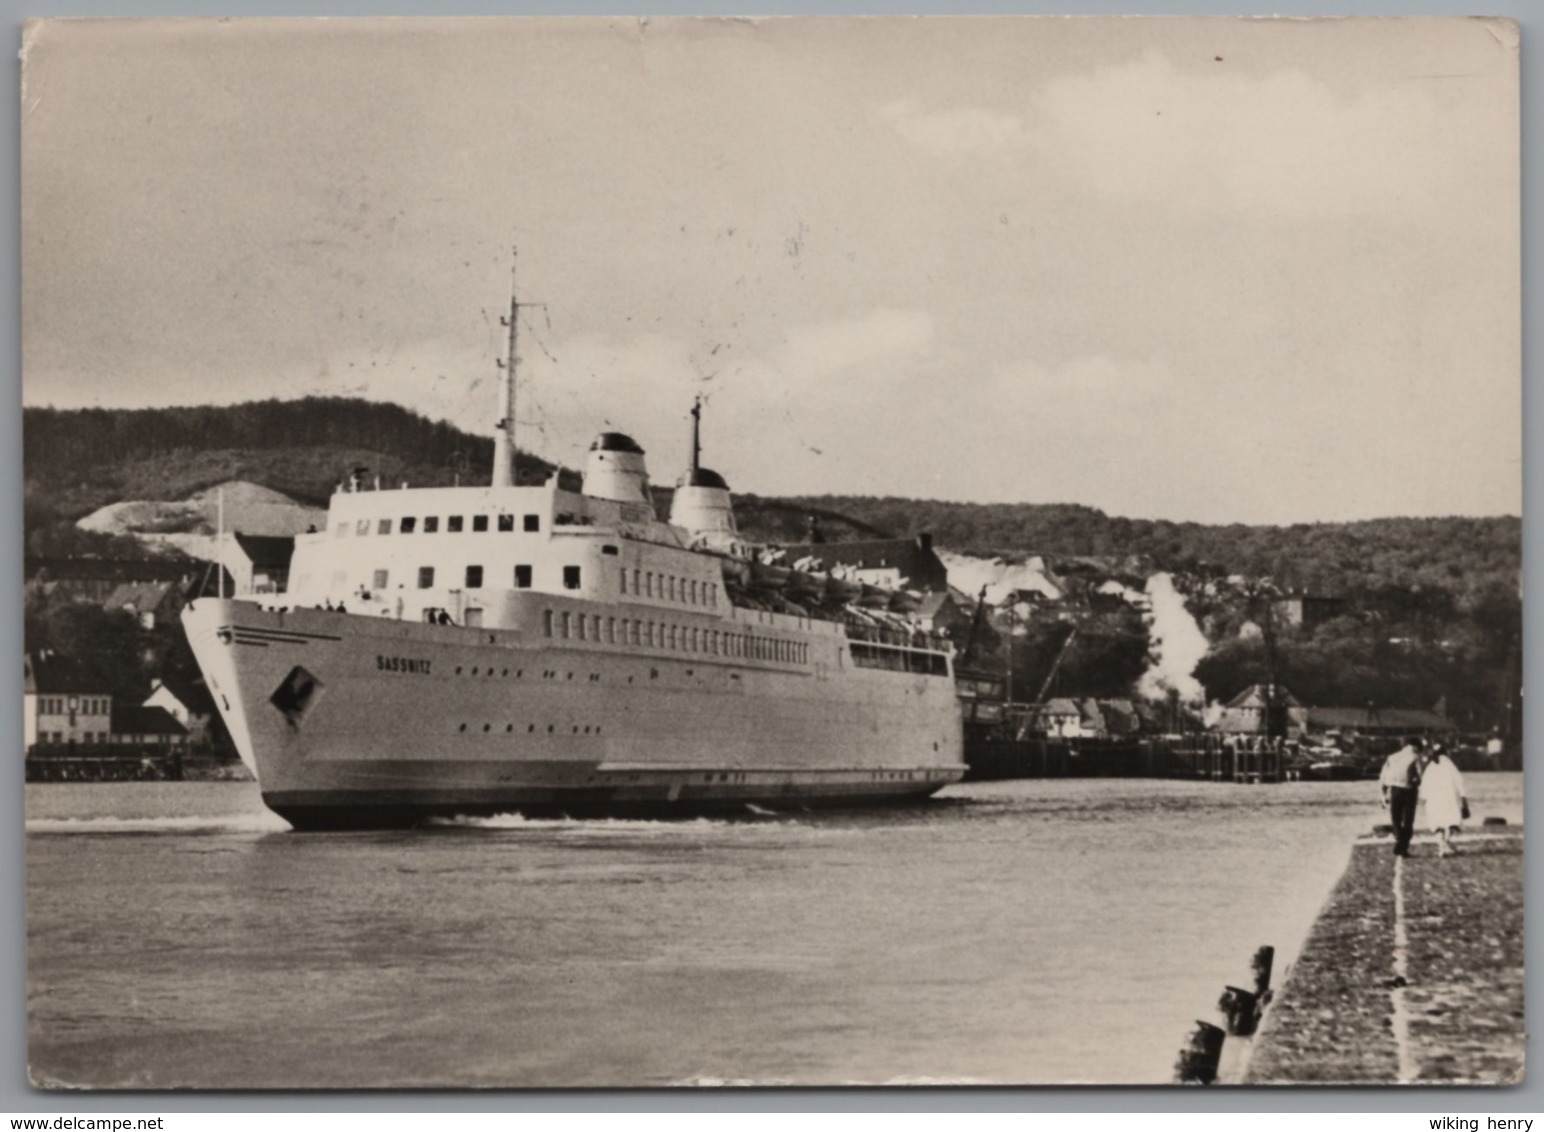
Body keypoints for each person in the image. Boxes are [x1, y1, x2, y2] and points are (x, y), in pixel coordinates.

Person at [1420, 744, 1467, 858]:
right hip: (1449, 799)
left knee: (1438, 823)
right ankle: (1445, 844)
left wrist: (1424, 799)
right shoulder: (1450, 765)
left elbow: (1424, 786)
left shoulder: (1430, 767)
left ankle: (1443, 845)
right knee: (1452, 822)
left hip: (1434, 800)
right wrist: (1464, 802)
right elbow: (1460, 784)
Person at [1379, 737, 1424, 857]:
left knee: (1396, 818)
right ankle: (1403, 846)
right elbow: (1421, 774)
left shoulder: (1392, 757)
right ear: (1415, 747)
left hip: (1394, 790)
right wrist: (1419, 783)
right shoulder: (1415, 756)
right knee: (1408, 820)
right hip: (1409, 790)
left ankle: (1399, 837)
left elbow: (1383, 776)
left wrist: (1383, 794)